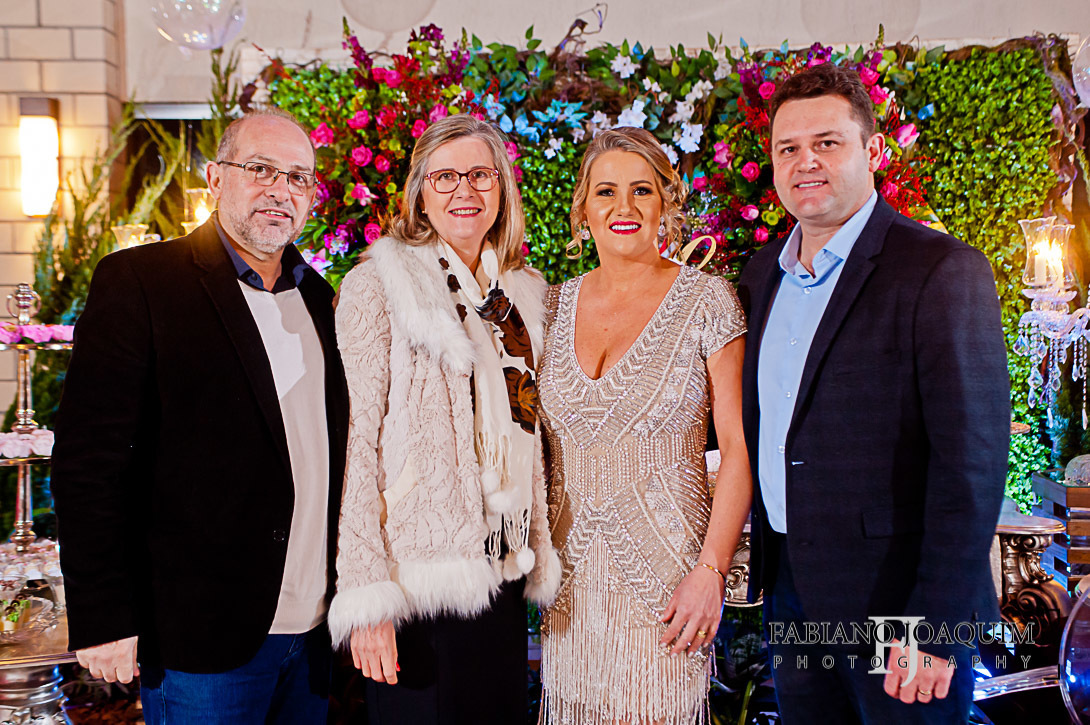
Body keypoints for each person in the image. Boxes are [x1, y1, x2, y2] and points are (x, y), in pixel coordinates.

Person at [51, 108, 349, 724]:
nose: (281, 190)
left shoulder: (325, 301)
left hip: (314, 630)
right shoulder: (142, 282)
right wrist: (104, 615)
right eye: (261, 169)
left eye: (298, 177)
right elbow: (88, 464)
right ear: (214, 178)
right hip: (201, 636)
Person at [737, 62, 1009, 723]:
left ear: (874, 150)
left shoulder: (940, 270)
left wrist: (936, 624)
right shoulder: (760, 276)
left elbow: (971, 464)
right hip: (793, 594)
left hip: (902, 601)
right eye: (788, 148)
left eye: (827, 143)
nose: (805, 162)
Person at [328, 113, 560, 724]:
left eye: (481, 175)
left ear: (502, 188)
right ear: (421, 194)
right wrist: (366, 594)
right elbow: (352, 442)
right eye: (446, 177)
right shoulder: (379, 285)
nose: (465, 190)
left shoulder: (520, 293)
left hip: (502, 569)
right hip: (416, 581)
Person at [537, 127, 753, 724]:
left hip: (670, 581)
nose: (624, 207)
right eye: (605, 192)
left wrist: (711, 571)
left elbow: (739, 449)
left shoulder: (707, 300)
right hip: (571, 587)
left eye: (641, 190)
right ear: (583, 210)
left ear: (666, 204)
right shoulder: (549, 306)